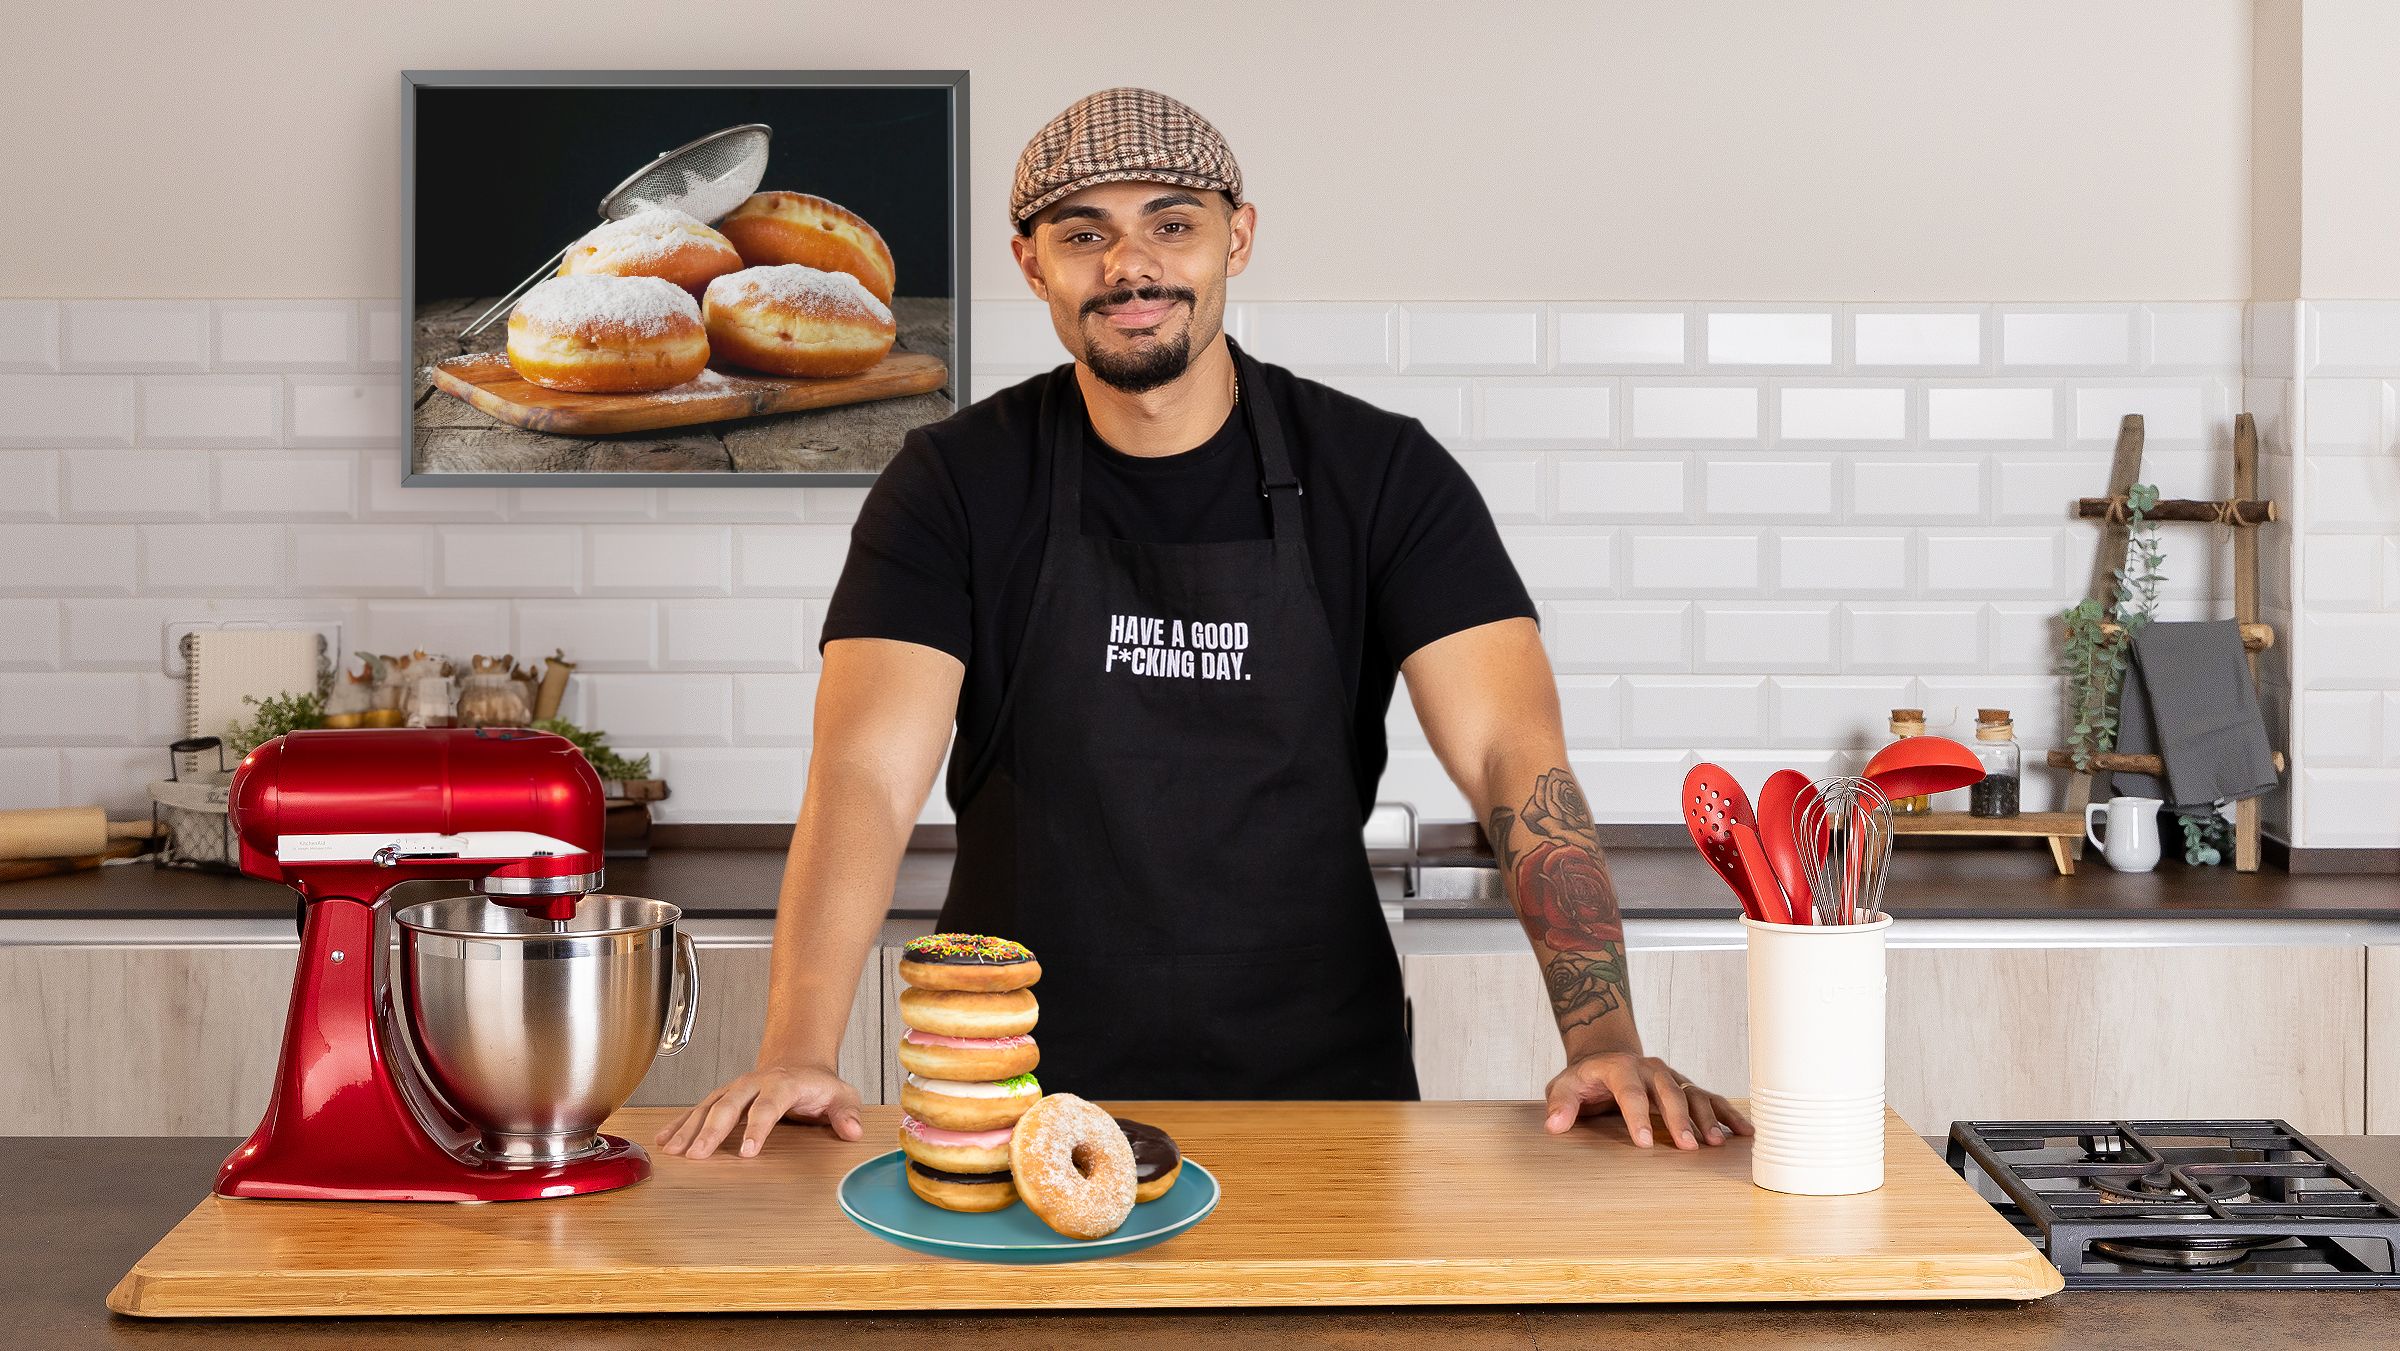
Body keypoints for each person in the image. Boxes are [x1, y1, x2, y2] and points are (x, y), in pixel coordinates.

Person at [658, 86, 1746, 1160]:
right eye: (1084, 235)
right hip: (1013, 1106)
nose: (1131, 268)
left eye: (1172, 225)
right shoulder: (953, 482)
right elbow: (865, 774)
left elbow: (1515, 756)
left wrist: (1605, 1037)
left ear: (1239, 238)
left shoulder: (1382, 472)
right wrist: (798, 1047)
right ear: (1030, 262)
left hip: (1325, 1107)